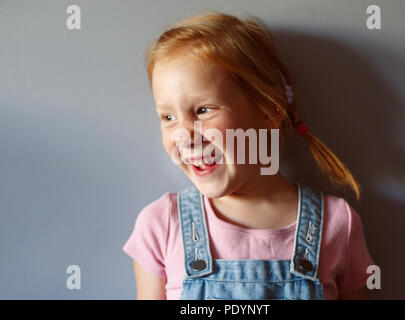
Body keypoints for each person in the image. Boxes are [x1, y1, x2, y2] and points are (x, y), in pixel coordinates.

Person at [123, 10, 374, 300]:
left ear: (270, 110)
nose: (184, 135)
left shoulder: (337, 223)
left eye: (203, 110)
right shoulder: (161, 226)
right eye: (167, 117)